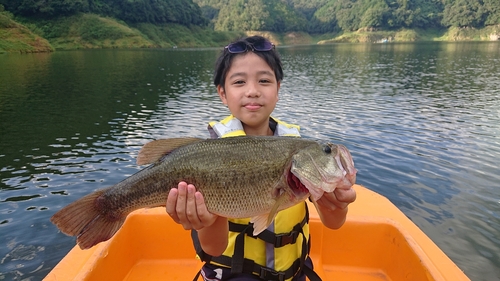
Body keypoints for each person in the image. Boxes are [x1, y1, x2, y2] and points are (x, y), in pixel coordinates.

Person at [165, 35, 357, 281]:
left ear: (278, 89)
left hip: (292, 272)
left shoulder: (298, 152)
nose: (253, 91)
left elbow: (334, 223)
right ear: (222, 93)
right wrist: (205, 220)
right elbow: (213, 249)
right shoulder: (212, 152)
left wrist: (338, 204)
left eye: (264, 80)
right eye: (239, 82)